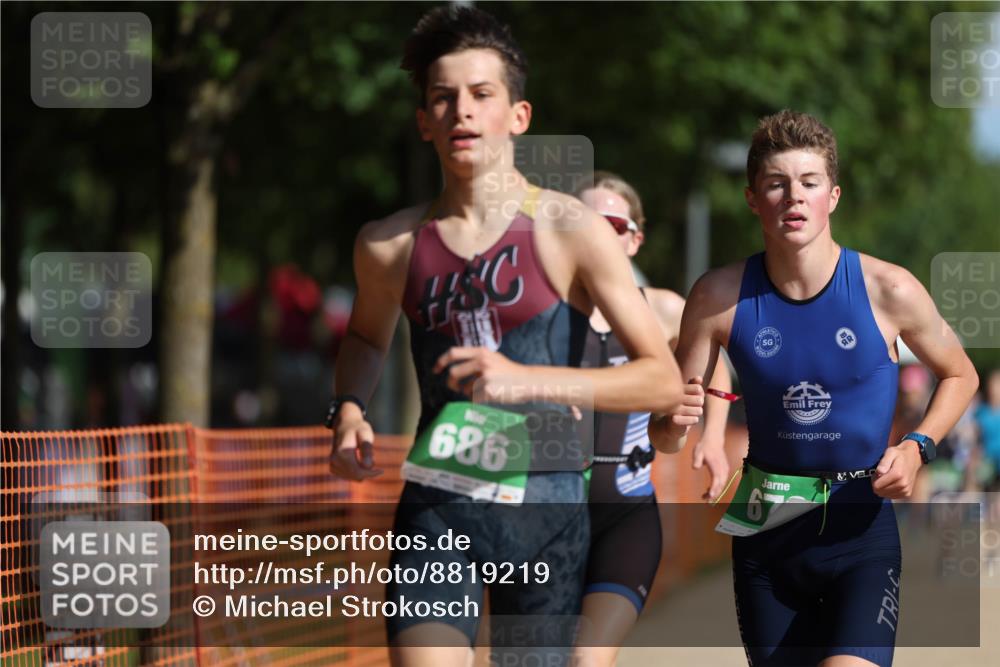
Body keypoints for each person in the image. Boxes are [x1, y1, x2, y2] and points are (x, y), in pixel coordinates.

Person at [326, 7, 686, 666]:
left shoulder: (568, 229)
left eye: (481, 94)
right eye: (443, 97)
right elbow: (366, 341)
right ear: (424, 121)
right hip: (439, 504)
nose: (461, 110)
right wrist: (348, 410)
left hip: (547, 515)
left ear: (517, 116)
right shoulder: (389, 245)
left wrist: (526, 380)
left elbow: (660, 377)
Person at [650, 109, 979, 667]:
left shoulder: (889, 289)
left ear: (834, 195)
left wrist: (917, 446)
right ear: (754, 198)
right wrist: (673, 422)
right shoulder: (717, 296)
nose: (793, 197)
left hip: (861, 531)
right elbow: (666, 438)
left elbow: (961, 372)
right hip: (766, 535)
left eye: (809, 183)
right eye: (776, 184)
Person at [571, 172, 732, 667]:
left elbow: (715, 363)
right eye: (582, 221)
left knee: (586, 660)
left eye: (612, 224)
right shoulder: (540, 312)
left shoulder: (659, 309)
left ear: (635, 239)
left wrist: (713, 437)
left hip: (626, 514)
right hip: (543, 515)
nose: (597, 233)